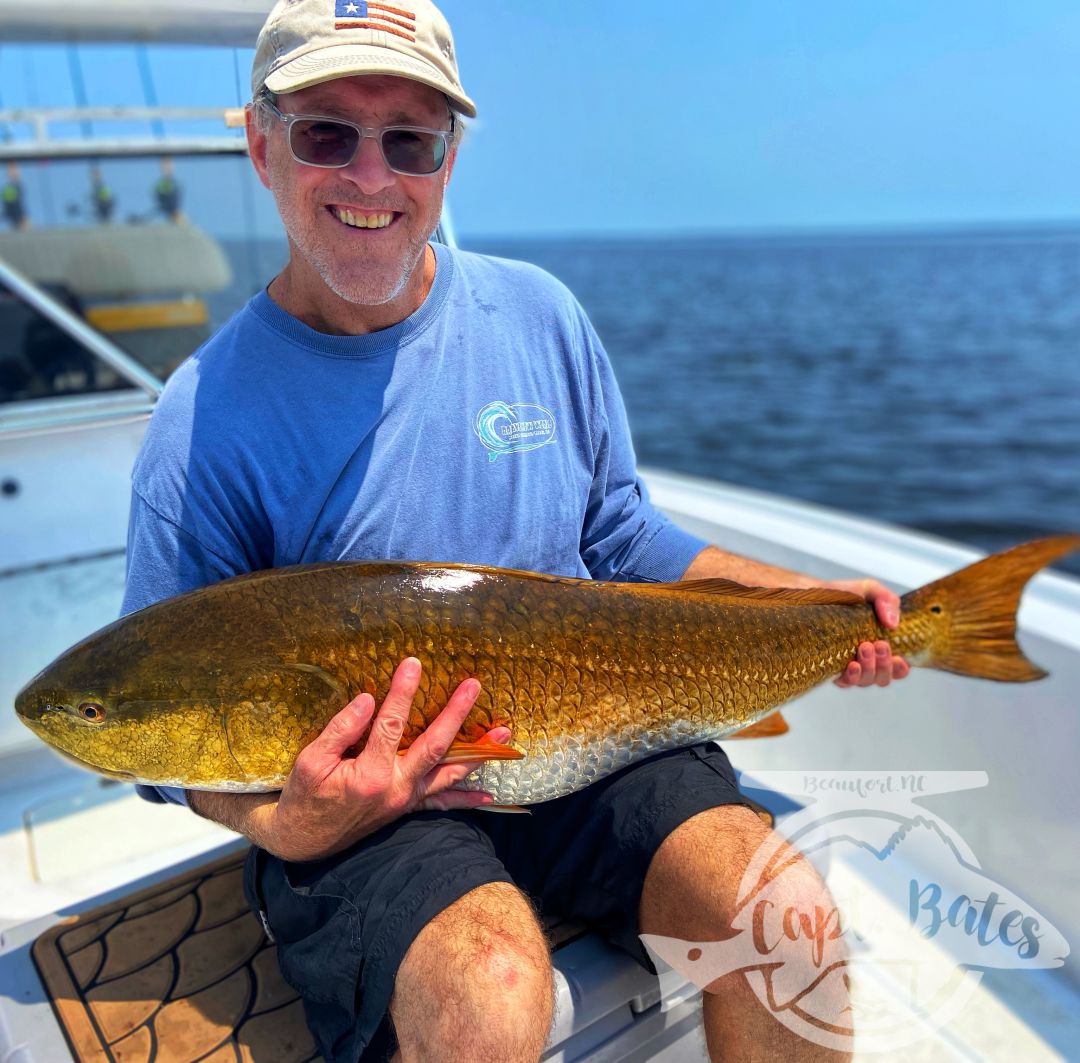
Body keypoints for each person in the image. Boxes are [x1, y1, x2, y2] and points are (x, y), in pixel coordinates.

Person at [121, 1, 908, 1060]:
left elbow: (624, 534)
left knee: (785, 917)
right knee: (492, 990)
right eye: (326, 133)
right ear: (260, 144)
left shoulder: (541, 315)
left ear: (450, 156)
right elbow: (163, 727)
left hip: (590, 742)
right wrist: (284, 822)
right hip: (372, 814)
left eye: (410, 138)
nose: (370, 175)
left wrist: (824, 609)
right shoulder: (202, 415)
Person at [2, 162, 28, 230]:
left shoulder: (19, 187)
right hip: (18, 219)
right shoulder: (8, 189)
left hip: (20, 219)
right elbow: (10, 207)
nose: (17, 172)